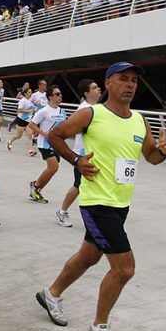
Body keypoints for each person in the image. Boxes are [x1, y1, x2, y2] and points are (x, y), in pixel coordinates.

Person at [36, 62, 166, 331]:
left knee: (88, 256)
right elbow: (55, 135)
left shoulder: (140, 120)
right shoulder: (92, 113)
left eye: (134, 81)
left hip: (121, 203)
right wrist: (76, 160)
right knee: (124, 268)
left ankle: (51, 293)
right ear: (108, 84)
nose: (130, 85)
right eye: (123, 79)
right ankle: (99, 326)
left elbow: (150, 157)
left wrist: (162, 150)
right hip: (96, 202)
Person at [56, 79, 102, 227]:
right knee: (78, 186)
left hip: (94, 154)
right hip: (82, 155)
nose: (99, 89)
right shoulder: (84, 110)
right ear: (86, 93)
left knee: (90, 186)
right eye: (95, 88)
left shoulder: (96, 108)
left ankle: (98, 217)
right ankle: (62, 211)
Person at [27, 85, 66, 204]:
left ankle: (36, 186)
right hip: (44, 144)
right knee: (53, 167)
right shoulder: (43, 111)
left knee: (53, 169)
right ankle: (36, 188)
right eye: (57, 94)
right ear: (50, 97)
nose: (60, 96)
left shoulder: (62, 111)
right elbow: (32, 125)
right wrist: (44, 133)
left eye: (60, 94)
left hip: (57, 144)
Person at [7, 87, 36, 155]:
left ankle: (30, 150)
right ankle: (10, 141)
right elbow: (19, 110)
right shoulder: (23, 100)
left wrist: (33, 112)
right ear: (25, 93)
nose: (30, 93)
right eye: (29, 92)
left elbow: (31, 110)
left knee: (29, 135)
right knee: (18, 136)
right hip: (21, 120)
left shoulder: (30, 101)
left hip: (28, 121)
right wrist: (29, 111)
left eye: (31, 92)